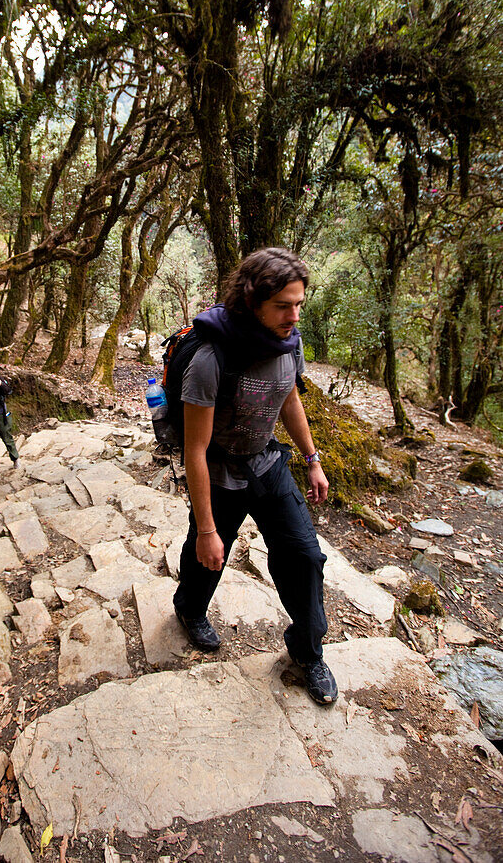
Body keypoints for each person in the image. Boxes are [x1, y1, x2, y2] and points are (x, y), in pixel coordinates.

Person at [172, 247, 338, 705]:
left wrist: (312, 459)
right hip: (221, 469)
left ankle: (307, 653)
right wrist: (207, 528)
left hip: (267, 462)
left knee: (305, 557)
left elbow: (289, 400)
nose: (294, 315)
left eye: (299, 303)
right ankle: (189, 609)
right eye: (284, 305)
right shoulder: (211, 359)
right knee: (206, 555)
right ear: (252, 301)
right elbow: (196, 449)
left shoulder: (290, 340)